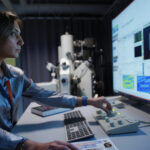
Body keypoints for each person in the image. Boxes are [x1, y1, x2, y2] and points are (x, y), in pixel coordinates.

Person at [0, 11, 112, 150]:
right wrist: (31, 146)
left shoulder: (16, 75)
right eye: (13, 33)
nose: (21, 41)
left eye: (20, 34)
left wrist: (87, 101)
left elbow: (46, 96)